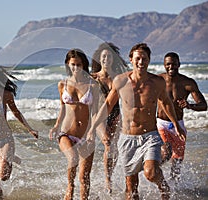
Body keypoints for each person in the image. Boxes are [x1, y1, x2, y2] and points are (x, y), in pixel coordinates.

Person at [87, 43, 186, 200]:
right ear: (131, 60)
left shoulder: (157, 82)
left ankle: (163, 187)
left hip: (150, 136)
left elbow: (166, 103)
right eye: (138, 58)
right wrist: (92, 127)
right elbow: (107, 105)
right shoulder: (120, 81)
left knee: (151, 172)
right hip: (127, 139)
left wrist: (176, 125)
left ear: (149, 60)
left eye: (144, 59)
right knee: (131, 189)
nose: (141, 62)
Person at [0, 63, 38, 199]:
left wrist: (30, 129)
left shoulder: (5, 94)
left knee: (3, 176)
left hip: (5, 139)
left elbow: (16, 112)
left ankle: (7, 157)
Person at [49, 49, 100, 200]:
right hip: (66, 132)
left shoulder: (92, 85)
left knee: (84, 178)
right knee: (72, 159)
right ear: (67, 65)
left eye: (79, 64)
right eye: (73, 65)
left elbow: (95, 112)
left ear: (84, 65)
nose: (76, 68)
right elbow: (63, 108)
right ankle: (70, 186)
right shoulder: (62, 84)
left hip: (86, 135)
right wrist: (56, 126)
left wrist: (92, 131)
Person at [157, 52, 207, 180]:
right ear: (164, 65)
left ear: (179, 64)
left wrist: (189, 105)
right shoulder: (158, 80)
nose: (171, 67)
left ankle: (175, 190)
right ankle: (151, 171)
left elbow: (203, 105)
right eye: (168, 64)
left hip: (178, 125)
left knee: (177, 161)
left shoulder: (188, 83)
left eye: (174, 64)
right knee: (166, 153)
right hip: (161, 123)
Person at [91, 42, 128, 193]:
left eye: (109, 56)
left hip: (116, 114)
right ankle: (107, 180)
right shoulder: (93, 78)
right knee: (107, 142)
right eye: (104, 56)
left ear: (113, 59)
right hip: (98, 115)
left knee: (115, 148)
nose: (106, 59)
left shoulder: (118, 78)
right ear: (99, 59)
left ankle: (110, 176)